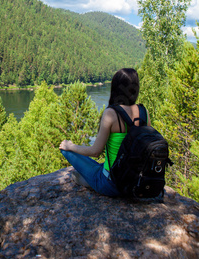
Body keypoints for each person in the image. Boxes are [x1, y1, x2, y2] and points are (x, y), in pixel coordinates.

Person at [59, 68, 151, 197]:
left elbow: (95, 152)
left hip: (113, 185)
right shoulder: (143, 112)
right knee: (101, 167)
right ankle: (91, 179)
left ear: (115, 88)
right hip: (136, 182)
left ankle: (90, 181)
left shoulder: (111, 114)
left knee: (66, 150)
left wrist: (70, 146)